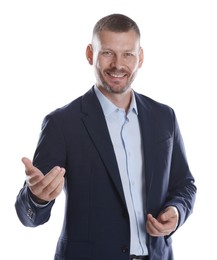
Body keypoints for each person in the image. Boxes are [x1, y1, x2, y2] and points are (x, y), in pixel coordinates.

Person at [15, 13, 196, 260]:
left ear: (140, 57)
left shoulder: (164, 117)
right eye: (107, 53)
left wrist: (176, 210)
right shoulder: (62, 123)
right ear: (90, 54)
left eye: (128, 54)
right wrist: (37, 198)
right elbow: (29, 217)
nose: (118, 64)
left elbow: (184, 183)